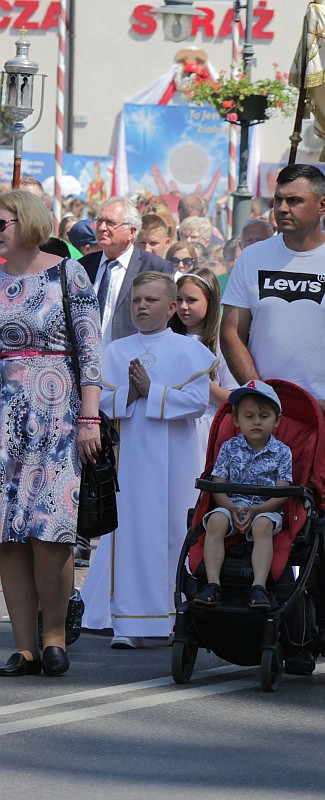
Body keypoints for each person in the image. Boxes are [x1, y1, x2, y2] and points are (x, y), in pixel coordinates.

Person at [220, 164, 325, 673]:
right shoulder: (253, 258)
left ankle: (307, 632)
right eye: (279, 200)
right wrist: (257, 396)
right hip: (258, 420)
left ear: (321, 206)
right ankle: (244, 611)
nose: (283, 209)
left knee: (316, 526)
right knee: (246, 515)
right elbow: (231, 332)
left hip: (322, 421)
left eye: (294, 201)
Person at [80, 271, 216, 648]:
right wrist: (133, 394)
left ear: (172, 307)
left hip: (177, 459)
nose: (142, 306)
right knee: (132, 535)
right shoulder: (116, 350)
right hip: (132, 459)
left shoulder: (190, 351)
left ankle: (178, 616)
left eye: (151, 300)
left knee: (177, 530)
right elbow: (100, 400)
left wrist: (152, 391)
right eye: (137, 299)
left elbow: (195, 402)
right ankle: (130, 623)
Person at [0, 190, 102, 678]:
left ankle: (55, 636)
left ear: (28, 222)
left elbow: (90, 349)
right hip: (3, 420)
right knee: (7, 537)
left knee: (51, 532)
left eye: (3, 222)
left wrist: (90, 417)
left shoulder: (67, 272)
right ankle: (23, 646)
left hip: (57, 417)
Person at [194, 381, 293, 609]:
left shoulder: (283, 452)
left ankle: (258, 586)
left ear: (276, 420)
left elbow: (282, 492)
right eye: (249, 416)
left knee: (262, 526)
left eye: (263, 415)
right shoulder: (229, 448)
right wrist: (231, 508)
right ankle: (213, 584)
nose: (256, 421)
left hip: (266, 508)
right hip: (231, 505)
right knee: (215, 521)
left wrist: (257, 510)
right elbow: (218, 484)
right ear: (237, 421)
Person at [80, 196, 173, 345]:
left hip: (134, 361)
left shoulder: (155, 268)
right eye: (99, 221)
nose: (102, 227)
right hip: (87, 362)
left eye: (110, 223)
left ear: (131, 231)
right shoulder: (83, 266)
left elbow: (166, 320)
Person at [169, 268, 236, 450]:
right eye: (179, 299)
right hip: (171, 427)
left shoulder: (222, 343)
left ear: (210, 301)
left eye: (192, 300)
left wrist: (198, 380)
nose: (183, 307)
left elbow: (232, 400)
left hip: (207, 430)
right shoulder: (168, 339)